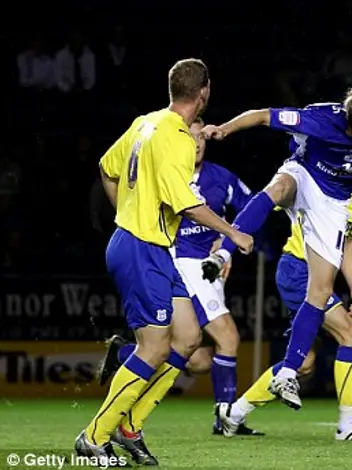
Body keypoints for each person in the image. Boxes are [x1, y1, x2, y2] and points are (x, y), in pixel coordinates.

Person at [74, 58, 254, 466]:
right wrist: (233, 232)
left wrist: (126, 212)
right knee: (153, 347)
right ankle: (94, 437)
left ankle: (130, 426)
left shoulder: (146, 121)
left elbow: (107, 167)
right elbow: (187, 203)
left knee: (188, 338)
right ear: (203, 92)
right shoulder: (175, 137)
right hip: (141, 246)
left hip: (149, 245)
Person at [200, 83, 352, 410]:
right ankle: (224, 250)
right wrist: (224, 130)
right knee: (280, 185)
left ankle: (287, 373)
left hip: (332, 202)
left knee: (321, 291)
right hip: (304, 174)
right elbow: (262, 116)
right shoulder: (320, 120)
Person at [95, 117, 263, 437]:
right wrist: (229, 234)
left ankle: (125, 355)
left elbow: (253, 210)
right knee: (228, 336)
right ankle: (226, 418)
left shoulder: (222, 178)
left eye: (202, 137)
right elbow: (186, 206)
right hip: (180, 262)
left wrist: (225, 244)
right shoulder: (166, 169)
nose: (197, 142)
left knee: (197, 358)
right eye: (191, 136)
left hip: (208, 267)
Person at [216, 177, 352, 441]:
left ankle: (234, 414)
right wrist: (226, 238)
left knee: (304, 363)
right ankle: (348, 425)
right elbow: (264, 201)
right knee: (351, 335)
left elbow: (347, 241)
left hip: (318, 274)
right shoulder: (316, 174)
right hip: (298, 270)